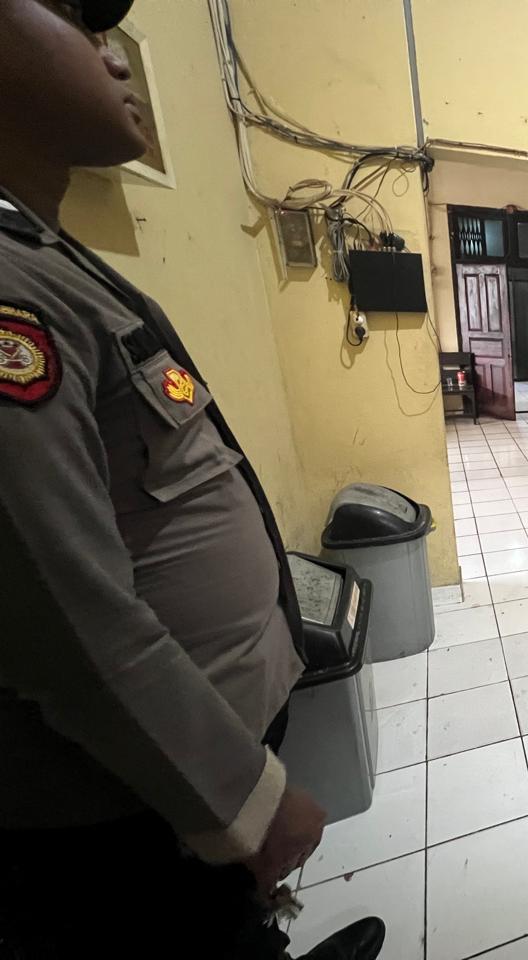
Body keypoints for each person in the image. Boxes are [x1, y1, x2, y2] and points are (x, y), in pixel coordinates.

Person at [0, 2, 382, 957]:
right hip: (118, 799)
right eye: (75, 21)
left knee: (232, 926)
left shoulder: (49, 258)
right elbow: (60, 611)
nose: (115, 60)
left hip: (174, 773)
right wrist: (242, 799)